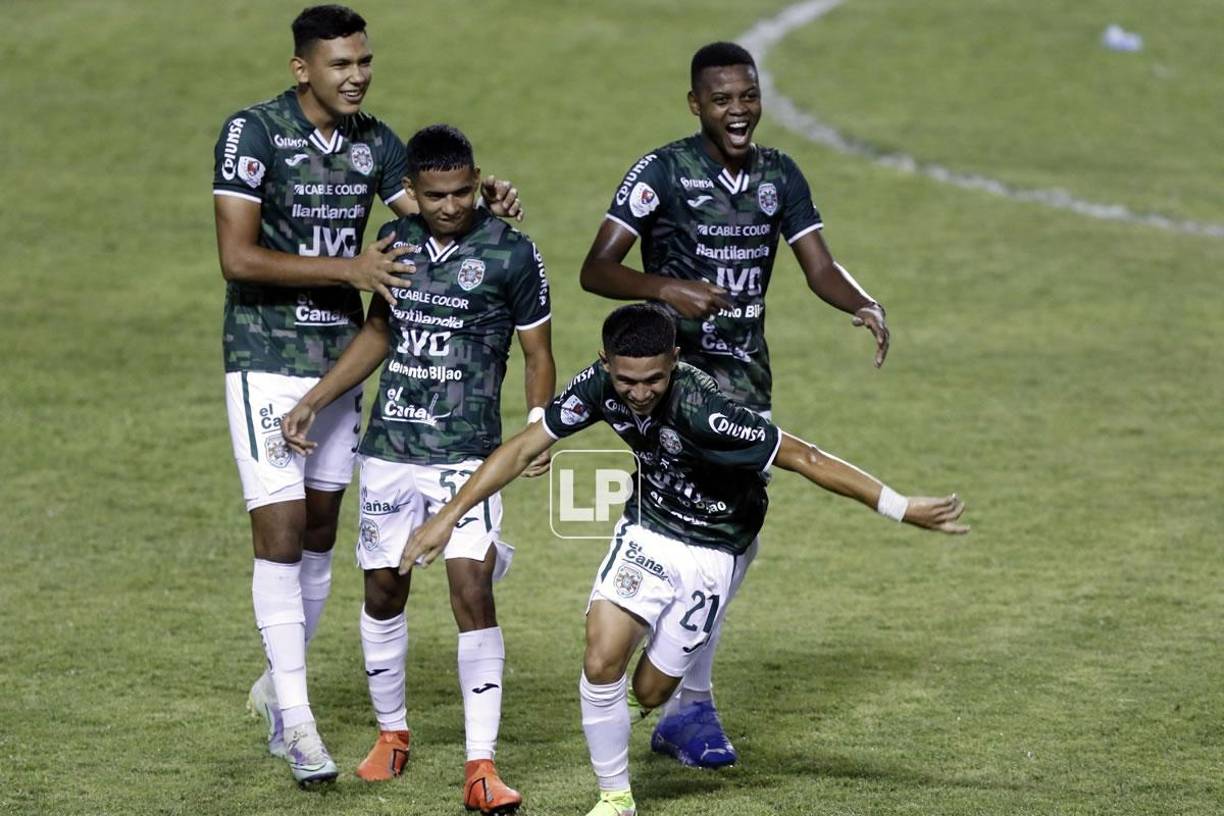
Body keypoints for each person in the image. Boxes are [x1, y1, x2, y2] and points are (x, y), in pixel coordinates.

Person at [400, 303, 967, 816]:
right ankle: (615, 798)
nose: (639, 393)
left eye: (653, 379)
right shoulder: (598, 386)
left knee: (650, 691)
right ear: (606, 361)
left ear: (674, 359)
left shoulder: (705, 409)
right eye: (626, 380)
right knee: (601, 658)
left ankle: (639, 716)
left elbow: (806, 457)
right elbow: (524, 446)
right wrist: (448, 516)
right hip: (649, 531)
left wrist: (900, 506)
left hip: (715, 548)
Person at [212, 5, 521, 786]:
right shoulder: (253, 133)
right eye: (340, 64)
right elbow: (237, 257)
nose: (356, 77)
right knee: (281, 532)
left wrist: (484, 203)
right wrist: (349, 270)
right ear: (302, 69)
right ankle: (298, 724)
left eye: (364, 62)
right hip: (264, 356)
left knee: (321, 532)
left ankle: (279, 686)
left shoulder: (377, 144)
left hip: (340, 359)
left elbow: (429, 218)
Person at [578, 41, 891, 767]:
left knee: (736, 536)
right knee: (702, 524)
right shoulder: (661, 172)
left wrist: (862, 301)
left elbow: (818, 264)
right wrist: (666, 289)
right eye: (722, 99)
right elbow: (597, 268)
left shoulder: (780, 175)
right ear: (696, 105)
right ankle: (684, 697)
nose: (738, 110)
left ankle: (682, 688)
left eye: (747, 96)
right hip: (673, 381)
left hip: (745, 381)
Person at [281, 124, 553, 813]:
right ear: (413, 191)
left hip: (467, 454)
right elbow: (379, 331)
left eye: (462, 191)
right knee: (382, 591)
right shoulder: (394, 243)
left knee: (472, 588)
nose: (451, 206)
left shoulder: (512, 253)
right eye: (436, 195)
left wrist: (537, 427)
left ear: (477, 180)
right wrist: (315, 399)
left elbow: (538, 352)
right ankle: (392, 734)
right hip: (390, 452)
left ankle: (481, 764)